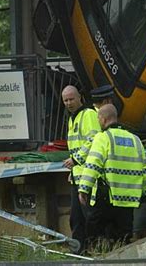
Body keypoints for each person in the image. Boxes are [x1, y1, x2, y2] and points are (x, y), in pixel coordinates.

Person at [78, 104, 146, 244]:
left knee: (95, 236)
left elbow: (92, 165)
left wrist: (84, 189)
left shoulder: (103, 137)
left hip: (107, 197)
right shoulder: (136, 140)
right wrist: (145, 193)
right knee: (123, 240)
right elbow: (144, 171)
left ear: (103, 119)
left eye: (99, 119)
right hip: (129, 200)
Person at [62, 85, 100, 252]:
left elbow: (94, 140)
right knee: (76, 219)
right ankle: (79, 252)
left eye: (71, 99)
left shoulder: (89, 114)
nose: (69, 103)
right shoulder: (72, 118)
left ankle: (95, 251)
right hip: (77, 176)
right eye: (65, 100)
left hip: (89, 177)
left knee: (89, 217)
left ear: (79, 98)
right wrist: (73, 171)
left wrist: (76, 160)